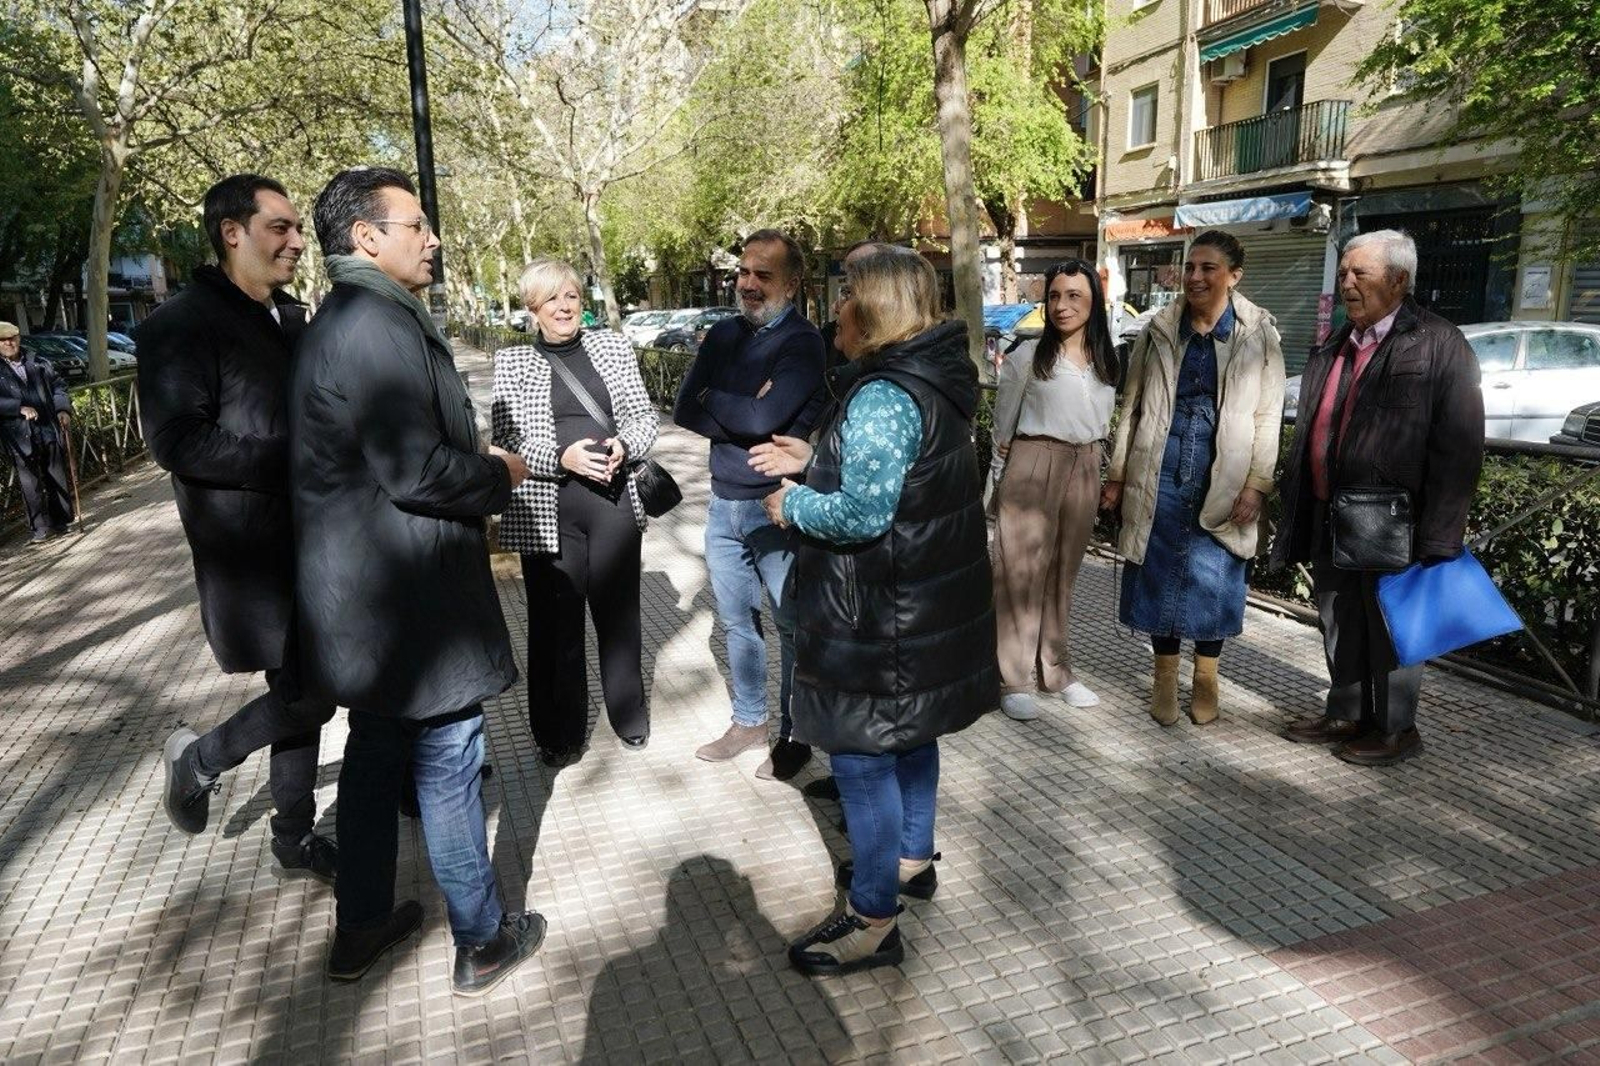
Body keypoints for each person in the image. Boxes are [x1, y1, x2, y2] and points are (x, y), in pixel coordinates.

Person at [289, 166, 544, 993]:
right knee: (447, 759)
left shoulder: (359, 316)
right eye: (416, 225)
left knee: (374, 758)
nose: (432, 238)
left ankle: (362, 926)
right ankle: (482, 938)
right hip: (411, 605)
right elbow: (416, 470)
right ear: (367, 238)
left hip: (374, 604)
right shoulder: (372, 325)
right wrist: (499, 471)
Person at [755, 248, 998, 975]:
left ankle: (872, 917)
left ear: (876, 309)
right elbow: (898, 475)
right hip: (915, 604)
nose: (836, 309)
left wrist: (792, 501)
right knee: (912, 734)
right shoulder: (931, 379)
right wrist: (821, 450)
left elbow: (864, 512)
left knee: (862, 758)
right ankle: (911, 860)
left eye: (846, 296)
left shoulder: (885, 394)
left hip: (878, 616)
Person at [136, 174, 336, 880]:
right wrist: (294, 462)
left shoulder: (291, 318)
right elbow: (179, 442)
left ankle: (292, 837)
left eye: (297, 229)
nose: (295, 241)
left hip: (320, 539)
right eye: (280, 227)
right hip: (249, 553)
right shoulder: (179, 324)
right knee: (310, 692)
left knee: (308, 692)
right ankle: (201, 760)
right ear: (233, 232)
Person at [1271, 230, 1484, 766]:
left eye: (1359, 273)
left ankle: (1395, 728)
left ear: (1398, 280)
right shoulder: (1336, 341)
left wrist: (1440, 535)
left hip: (1395, 517)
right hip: (1330, 507)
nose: (1346, 283)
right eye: (1343, 273)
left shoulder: (1439, 342)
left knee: (1391, 624)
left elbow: (1460, 446)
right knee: (1338, 615)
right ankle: (1345, 711)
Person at [1101, 230, 1285, 728]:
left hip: (1223, 470)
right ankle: (1164, 677)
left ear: (1234, 276)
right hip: (1158, 463)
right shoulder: (1159, 328)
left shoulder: (1258, 333)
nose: (1196, 277)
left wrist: (1256, 484)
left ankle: (1206, 675)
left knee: (1215, 572)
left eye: (1208, 268)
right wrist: (1117, 475)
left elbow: (1269, 416)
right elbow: (1132, 407)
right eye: (1191, 267)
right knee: (1159, 567)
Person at [491, 258, 660, 766]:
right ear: (532, 308)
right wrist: (559, 457)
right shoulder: (512, 361)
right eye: (551, 299)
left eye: (571, 296)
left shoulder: (610, 345)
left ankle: (629, 717)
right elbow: (506, 440)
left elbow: (643, 413)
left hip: (612, 500)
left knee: (619, 617)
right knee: (553, 626)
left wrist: (625, 445)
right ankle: (558, 734)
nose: (564, 307)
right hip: (547, 509)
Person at [673, 228, 825, 780]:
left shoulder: (802, 342)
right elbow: (685, 410)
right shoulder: (722, 335)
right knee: (738, 624)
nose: (750, 284)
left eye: (764, 275)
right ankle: (748, 722)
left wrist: (721, 401)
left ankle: (795, 732)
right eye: (744, 272)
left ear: (792, 281)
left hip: (776, 507)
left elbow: (764, 421)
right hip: (722, 505)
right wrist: (733, 404)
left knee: (791, 626)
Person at [990, 260, 1119, 722]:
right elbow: (1001, 426)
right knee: (1019, 571)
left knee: (1064, 572)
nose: (1062, 306)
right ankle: (1013, 677)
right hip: (1033, 459)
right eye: (1055, 296)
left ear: (1093, 303)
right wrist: (998, 477)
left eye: (1074, 296)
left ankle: (1056, 669)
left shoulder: (1108, 360)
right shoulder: (1028, 358)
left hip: (1085, 463)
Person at [0, 322, 74, 544]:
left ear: (19, 338)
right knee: (30, 484)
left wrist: (62, 409)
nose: (8, 343)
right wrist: (17, 408)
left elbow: (59, 385)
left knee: (56, 475)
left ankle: (61, 522)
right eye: (3, 340)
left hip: (47, 427)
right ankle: (40, 529)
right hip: (18, 434)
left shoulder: (39, 361)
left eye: (12, 338)